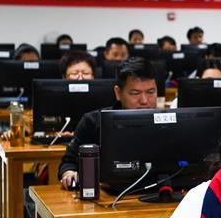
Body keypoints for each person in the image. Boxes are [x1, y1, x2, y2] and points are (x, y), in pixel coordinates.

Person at [58, 58, 159, 190]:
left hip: (157, 196)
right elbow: (69, 163)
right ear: (118, 93)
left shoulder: (168, 123)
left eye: (151, 92)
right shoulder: (93, 122)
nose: (145, 101)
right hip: (106, 197)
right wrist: (69, 173)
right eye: (135, 93)